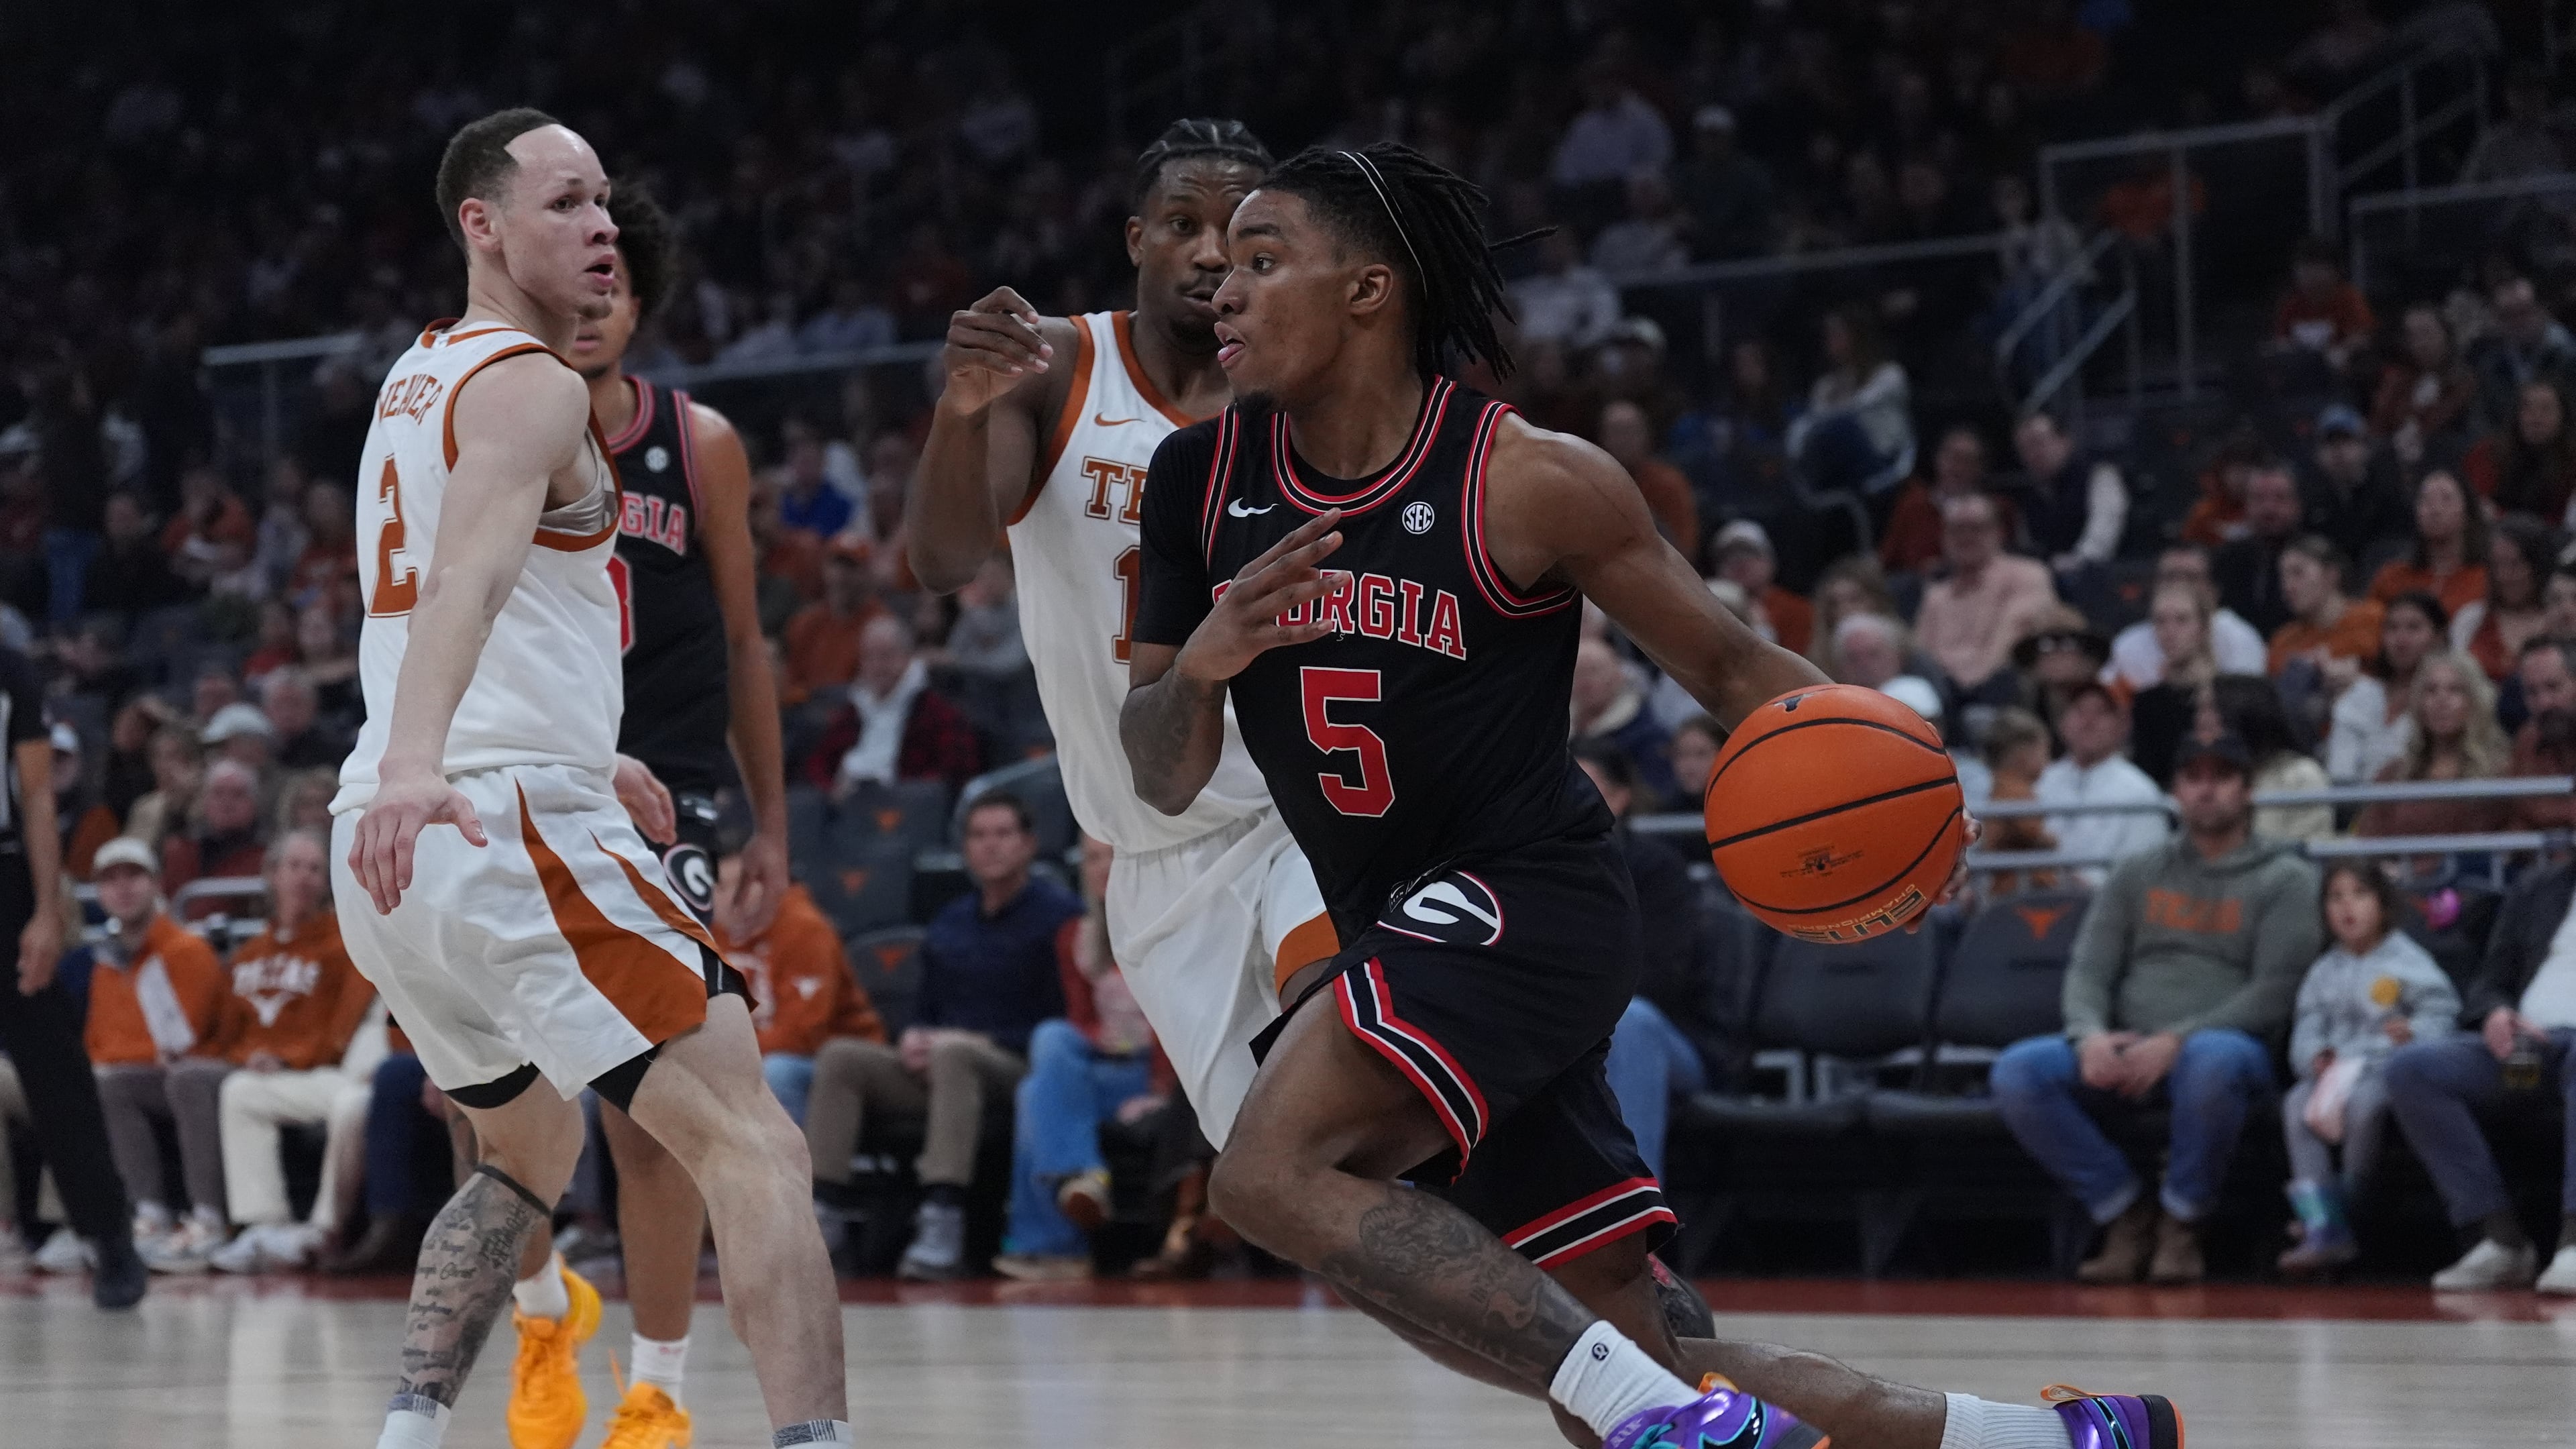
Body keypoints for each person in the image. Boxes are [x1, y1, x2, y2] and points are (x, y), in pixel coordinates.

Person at [1124, 140, 2175, 1449]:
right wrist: (1210, 662)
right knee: (1648, 1343)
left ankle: (1651, 1423)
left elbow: (1734, 666)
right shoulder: (1197, 484)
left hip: (1525, 893)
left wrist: (1900, 811)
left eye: (1264, 256)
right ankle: (2052, 1440)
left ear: (1369, 290)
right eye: (1220, 260)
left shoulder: (1528, 477)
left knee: (1270, 1175)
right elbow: (1156, 775)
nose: (1220, 280)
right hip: (1392, 921)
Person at [329, 110, 848, 1449]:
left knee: (526, 1156)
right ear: (481, 227)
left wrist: (571, 750)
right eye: (564, 203)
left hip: (400, 850)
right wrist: (423, 765)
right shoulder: (542, 385)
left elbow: (436, 606)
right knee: (758, 1147)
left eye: (607, 202)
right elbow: (471, 577)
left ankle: (409, 1433)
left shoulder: (414, 379)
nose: (602, 225)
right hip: (483, 815)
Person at [902, 120, 1346, 1193]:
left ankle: (1616, 1304)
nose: (1210, 255)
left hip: (1308, 810)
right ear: (1136, 238)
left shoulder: (1306, 387)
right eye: (1185, 227)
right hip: (1150, 845)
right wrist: (962, 414)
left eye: (1242, 237)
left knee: (1363, 1050)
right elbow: (942, 562)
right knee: (1298, 1187)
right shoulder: (1056, 367)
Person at [474, 180, 803, 1449]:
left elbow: (741, 640)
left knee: (654, 1109)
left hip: (668, 785)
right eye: (579, 286)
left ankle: (657, 1386)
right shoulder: (492, 424)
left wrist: (768, 824)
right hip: (521, 770)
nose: (595, 307)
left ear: (641, 301)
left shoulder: (699, 441)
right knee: (499, 1108)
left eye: (616, 287)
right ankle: (544, 1311)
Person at [1992, 734, 2320, 1286]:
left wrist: (2177, 1040)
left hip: (2227, 1047)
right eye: (2193, 778)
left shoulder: (2287, 879)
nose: (2206, 790)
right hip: (2126, 1041)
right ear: (2175, 792)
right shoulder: (2137, 870)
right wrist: (2090, 1035)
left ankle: (2182, 1221)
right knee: (2019, 1072)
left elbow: (2276, 992)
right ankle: (2123, 1211)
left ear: (2247, 791)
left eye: (2221, 777)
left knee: (2212, 1062)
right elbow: (2090, 970)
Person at [802, 792, 1077, 1280]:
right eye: (978, 835)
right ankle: (823, 1215)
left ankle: (942, 1219)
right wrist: (912, 1038)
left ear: (1029, 845)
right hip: (947, 1066)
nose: (990, 846)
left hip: (1017, 1066)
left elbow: (1062, 1024)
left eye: (1002, 834)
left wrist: (974, 1040)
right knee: (841, 1057)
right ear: (964, 848)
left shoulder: (1058, 917)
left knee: (954, 1053)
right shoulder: (950, 922)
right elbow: (923, 1009)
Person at [0, 657, 148, 1307]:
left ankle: (109, 1238)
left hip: (6, 879)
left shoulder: (12, 674)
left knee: (57, 1074)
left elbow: (36, 797)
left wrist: (46, 910)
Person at [2384, 847, 2576, 1292]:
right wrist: (2495, 1014)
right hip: (2527, 1056)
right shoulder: (2540, 886)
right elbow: (2490, 981)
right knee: (2413, 1069)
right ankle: (2499, 1239)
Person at [199, 828, 382, 1273]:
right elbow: (226, 1036)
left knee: (346, 1102)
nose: (305, 877)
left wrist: (289, 1060)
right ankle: (265, 1224)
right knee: (239, 1092)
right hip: (272, 1074)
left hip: (323, 1073)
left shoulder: (345, 944)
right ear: (272, 875)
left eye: (315, 869)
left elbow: (341, 1029)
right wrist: (250, 1058)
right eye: (295, 866)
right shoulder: (248, 955)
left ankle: (322, 1232)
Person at [992, 834, 1172, 1281]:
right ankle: (1084, 1178)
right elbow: (1080, 1020)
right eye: (1092, 858)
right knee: (1051, 1042)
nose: (1101, 867)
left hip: (1151, 1074)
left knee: (1035, 1094)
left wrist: (1161, 1092)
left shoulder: (1168, 927)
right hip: (1098, 1068)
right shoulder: (1075, 936)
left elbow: (1179, 1022)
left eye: (1112, 856)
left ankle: (1056, 1247)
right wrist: (1103, 1035)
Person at [2276, 861, 2459, 1275]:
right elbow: (2307, 1025)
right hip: (2333, 1072)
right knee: (2295, 1107)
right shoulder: (2324, 971)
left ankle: (2343, 1213)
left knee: (2365, 1109)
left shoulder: (2408, 960)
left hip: (2382, 1069)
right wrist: (2314, 1056)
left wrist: (2413, 1031)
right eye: (2337, 898)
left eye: (2360, 895)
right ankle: (2321, 1222)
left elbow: (2443, 1010)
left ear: (2383, 904)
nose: (2348, 908)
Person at [83, 837, 232, 1271]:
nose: (123, 888)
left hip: (200, 1071)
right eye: (110, 880)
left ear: (156, 884)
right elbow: (97, 1038)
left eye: (133, 876)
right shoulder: (106, 961)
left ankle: (209, 1218)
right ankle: (148, 1215)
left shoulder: (187, 950)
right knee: (99, 1085)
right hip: (147, 1077)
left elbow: (185, 1039)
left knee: (175, 1077)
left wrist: (110, 1058)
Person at [1579, 745, 1710, 1183]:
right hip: (1560, 1033)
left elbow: (1664, 976)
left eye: (1584, 785)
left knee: (1632, 1023)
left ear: (1620, 798)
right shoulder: (1532, 871)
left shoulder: (1656, 869)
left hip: (1667, 1036)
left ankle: (1638, 1228)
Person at [717, 841, 882, 1127]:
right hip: (747, 1057)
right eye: (719, 887)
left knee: (776, 1072)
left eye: (743, 884)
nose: (732, 897)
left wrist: (721, 1059)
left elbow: (800, 1037)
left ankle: (785, 1172)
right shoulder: (708, 935)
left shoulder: (806, 930)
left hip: (832, 1063)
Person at [803, 615, 983, 797]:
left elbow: (955, 771)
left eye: (886, 656)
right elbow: (819, 764)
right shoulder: (852, 711)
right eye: (869, 657)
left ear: (907, 656)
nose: (877, 666)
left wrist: (906, 793)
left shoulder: (937, 711)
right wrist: (829, 791)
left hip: (907, 808)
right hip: (849, 808)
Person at [1911, 492, 2059, 704]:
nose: (1966, 537)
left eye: (1976, 528)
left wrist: (1970, 684)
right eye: (1957, 530)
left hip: (2001, 691)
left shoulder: (2027, 574)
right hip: (1943, 695)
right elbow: (1921, 653)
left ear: (1999, 532)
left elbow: (2014, 635)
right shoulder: (1936, 594)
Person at [2034, 682, 2170, 882]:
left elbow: (2145, 876)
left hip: (2107, 907)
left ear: (2123, 725)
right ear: (2062, 723)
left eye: (2102, 712)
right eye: (2079, 711)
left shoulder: (2140, 792)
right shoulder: (2040, 781)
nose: (2088, 722)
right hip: (2035, 903)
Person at [2104, 545, 2269, 690]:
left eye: (2191, 577)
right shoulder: (2129, 644)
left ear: (2213, 588)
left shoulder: (2238, 637)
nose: (2180, 585)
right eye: (2170, 577)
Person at [2326, 590, 2445, 785]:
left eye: (2414, 628)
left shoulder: (2446, 698)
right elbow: (2340, 773)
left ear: (2438, 636)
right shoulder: (2361, 694)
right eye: (2392, 628)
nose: (2401, 639)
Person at [2202, 676, 2334, 843]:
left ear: (2242, 711)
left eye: (2209, 709)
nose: (2201, 719)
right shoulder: (2203, 776)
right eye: (2201, 709)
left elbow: (2308, 854)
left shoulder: (2301, 776)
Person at [2125, 583, 2222, 787]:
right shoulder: (2146, 703)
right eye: (2160, 621)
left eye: (2182, 620)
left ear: (2203, 627)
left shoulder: (2233, 695)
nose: (2170, 632)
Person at [2010, 411, 2127, 577]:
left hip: (2102, 575)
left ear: (2064, 441)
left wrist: (2078, 560)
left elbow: (2104, 531)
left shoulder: (2099, 475)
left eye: (2039, 443)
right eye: (2025, 448)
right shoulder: (2029, 494)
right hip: (2047, 578)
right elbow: (2027, 543)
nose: (2034, 454)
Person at [2367, 468, 2489, 617]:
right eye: (2426, 500)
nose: (2435, 509)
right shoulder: (2391, 579)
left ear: (2467, 511)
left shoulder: (2487, 581)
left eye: (2446, 499)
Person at [2369, 304, 2479, 468]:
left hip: (2444, 459)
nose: (2421, 343)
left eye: (2427, 333)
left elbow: (2437, 423)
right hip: (2395, 458)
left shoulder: (2463, 381)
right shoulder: (2397, 380)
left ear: (2446, 334)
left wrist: (2415, 418)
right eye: (2414, 336)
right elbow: (2378, 424)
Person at [2212, 460, 2306, 638]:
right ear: (2246, 504)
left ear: (2297, 504)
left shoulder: (2315, 558)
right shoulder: (2228, 558)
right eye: (2259, 498)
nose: (2269, 508)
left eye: (2280, 498)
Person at [2266, 535, 2381, 679]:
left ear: (2331, 574)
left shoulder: (2374, 620)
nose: (2287, 586)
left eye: (2298, 573)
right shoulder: (2282, 642)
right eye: (2283, 577)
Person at [2457, 515, 2555, 682]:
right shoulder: (2471, 620)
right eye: (2497, 565)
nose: (2504, 576)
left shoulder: (2560, 621)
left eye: (2515, 564)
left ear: (2538, 566)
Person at [2461, 380, 2576, 522]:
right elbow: (2476, 502)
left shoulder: (2571, 462)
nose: (2536, 418)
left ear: (2562, 416)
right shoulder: (2488, 454)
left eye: (2546, 409)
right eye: (2528, 409)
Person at [2509, 635, 2576, 831]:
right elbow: (2520, 816)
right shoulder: (2528, 739)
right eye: (2532, 692)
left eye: (2553, 687)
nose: (2544, 703)